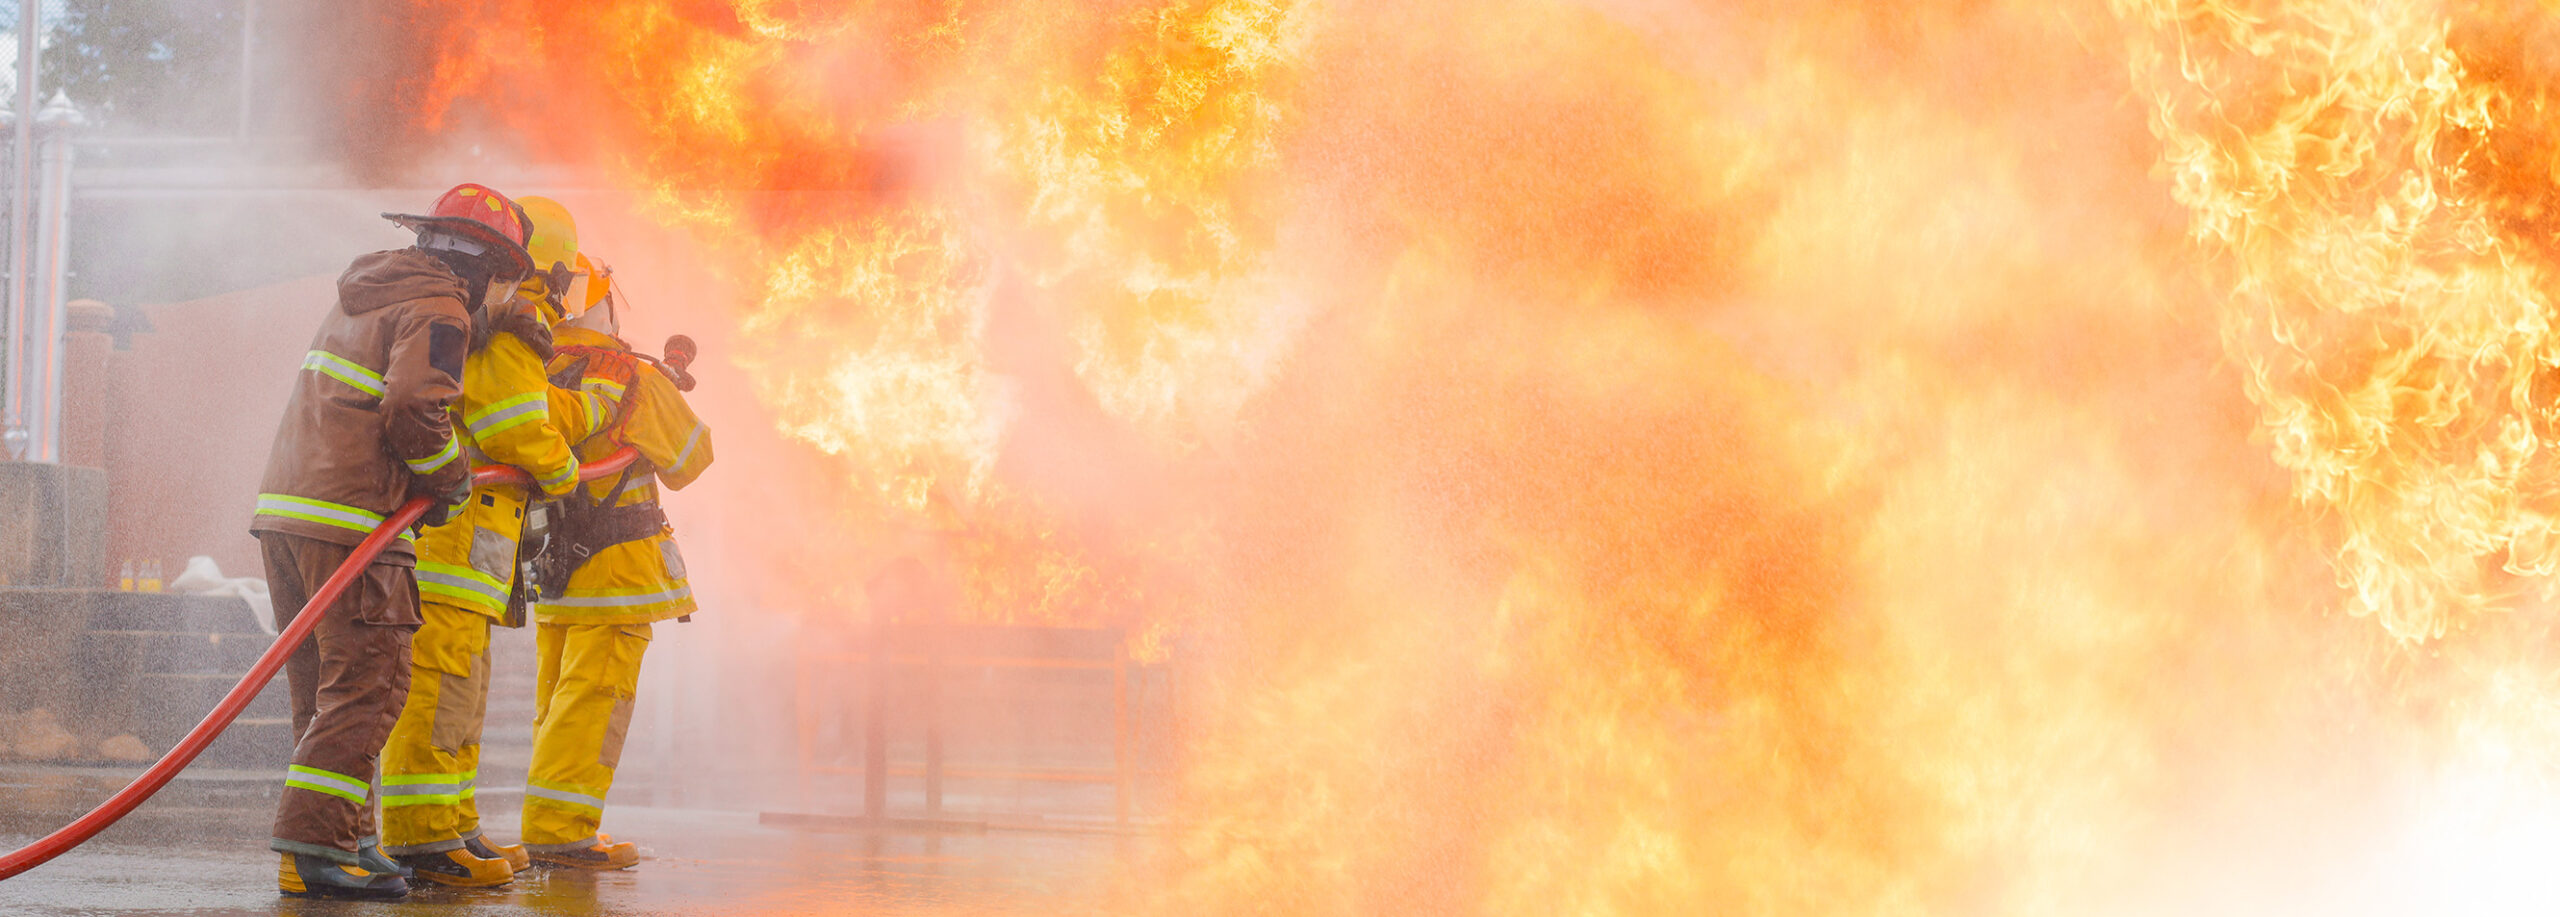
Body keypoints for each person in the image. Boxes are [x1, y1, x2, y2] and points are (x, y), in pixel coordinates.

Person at [253, 183, 533, 900]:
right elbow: (414, 404)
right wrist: (449, 478)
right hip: (355, 519)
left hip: (289, 513)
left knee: (325, 691)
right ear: (480, 267)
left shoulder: (371, 292)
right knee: (370, 684)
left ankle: (342, 839)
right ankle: (318, 850)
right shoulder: (440, 308)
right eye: (498, 280)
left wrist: (500, 320)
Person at [377, 195, 617, 886]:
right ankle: (422, 837)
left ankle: (455, 823)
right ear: (557, 273)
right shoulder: (513, 329)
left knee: (462, 694)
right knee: (437, 693)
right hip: (451, 552)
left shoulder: (490, 322)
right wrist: (563, 470)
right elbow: (514, 423)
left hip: (472, 556)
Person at [519, 259, 714, 869]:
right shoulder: (631, 376)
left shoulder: (531, 372)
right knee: (593, 701)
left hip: (553, 570)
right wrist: (662, 394)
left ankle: (548, 822)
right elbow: (690, 459)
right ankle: (560, 832)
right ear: (606, 307)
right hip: (618, 575)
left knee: (558, 703)